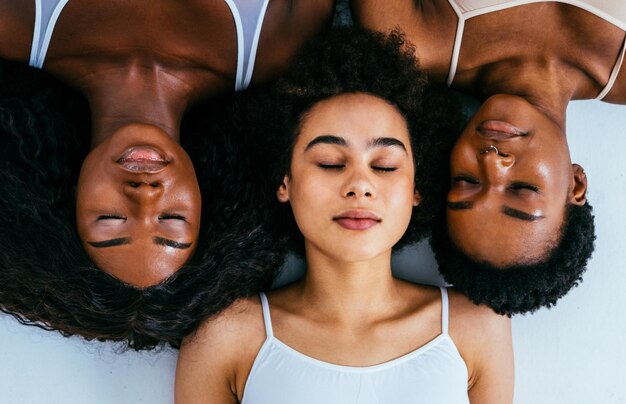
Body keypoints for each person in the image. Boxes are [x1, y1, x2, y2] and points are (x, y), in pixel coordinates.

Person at [176, 28, 513, 404]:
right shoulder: (225, 335)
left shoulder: (477, 327)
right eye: (331, 162)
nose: (360, 185)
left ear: (417, 188)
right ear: (284, 181)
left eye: (384, 165)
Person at [0, 0, 335, 287]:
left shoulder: (13, 24)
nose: (145, 195)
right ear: (202, 201)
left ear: (71, 197)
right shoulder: (277, 43)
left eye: (111, 219)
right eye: (172, 218)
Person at [351, 0, 615, 313]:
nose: (492, 162)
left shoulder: (408, 38)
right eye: (522, 189)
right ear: (576, 184)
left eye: (467, 181)